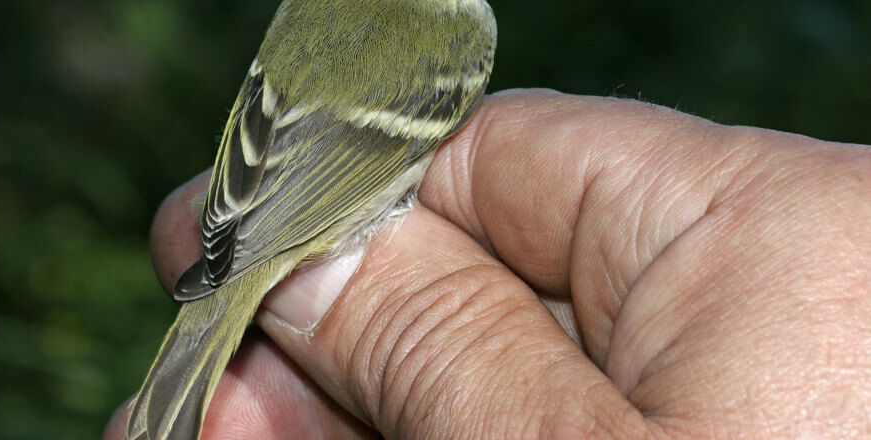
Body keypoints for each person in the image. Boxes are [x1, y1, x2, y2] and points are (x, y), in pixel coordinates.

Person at [104, 90, 869, 439]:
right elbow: (352, 162)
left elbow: (262, 117)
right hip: (313, 213)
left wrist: (237, 221)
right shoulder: (454, 41)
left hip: (246, 189)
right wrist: (404, 319)